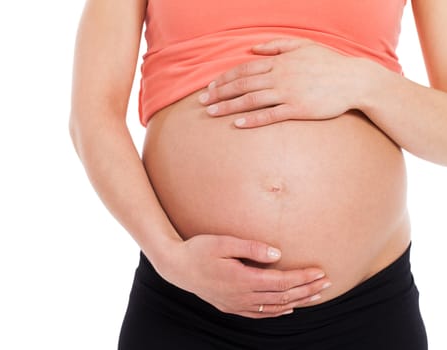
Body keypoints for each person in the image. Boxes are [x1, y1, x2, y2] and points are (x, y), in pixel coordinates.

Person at [69, 1, 446, 349]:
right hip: (187, 307)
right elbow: (92, 115)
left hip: (364, 311)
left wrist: (365, 83)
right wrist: (170, 257)